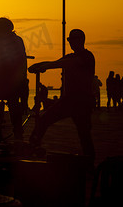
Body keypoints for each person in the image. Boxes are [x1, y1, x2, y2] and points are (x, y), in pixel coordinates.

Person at [28, 29, 95, 165]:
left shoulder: (87, 56)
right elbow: (57, 62)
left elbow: (65, 64)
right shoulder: (70, 56)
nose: (71, 44)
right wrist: (40, 65)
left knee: (84, 133)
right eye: (70, 41)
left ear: (81, 41)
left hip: (82, 101)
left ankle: (89, 162)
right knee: (44, 120)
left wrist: (46, 66)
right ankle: (32, 145)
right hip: (68, 100)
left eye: (73, 41)